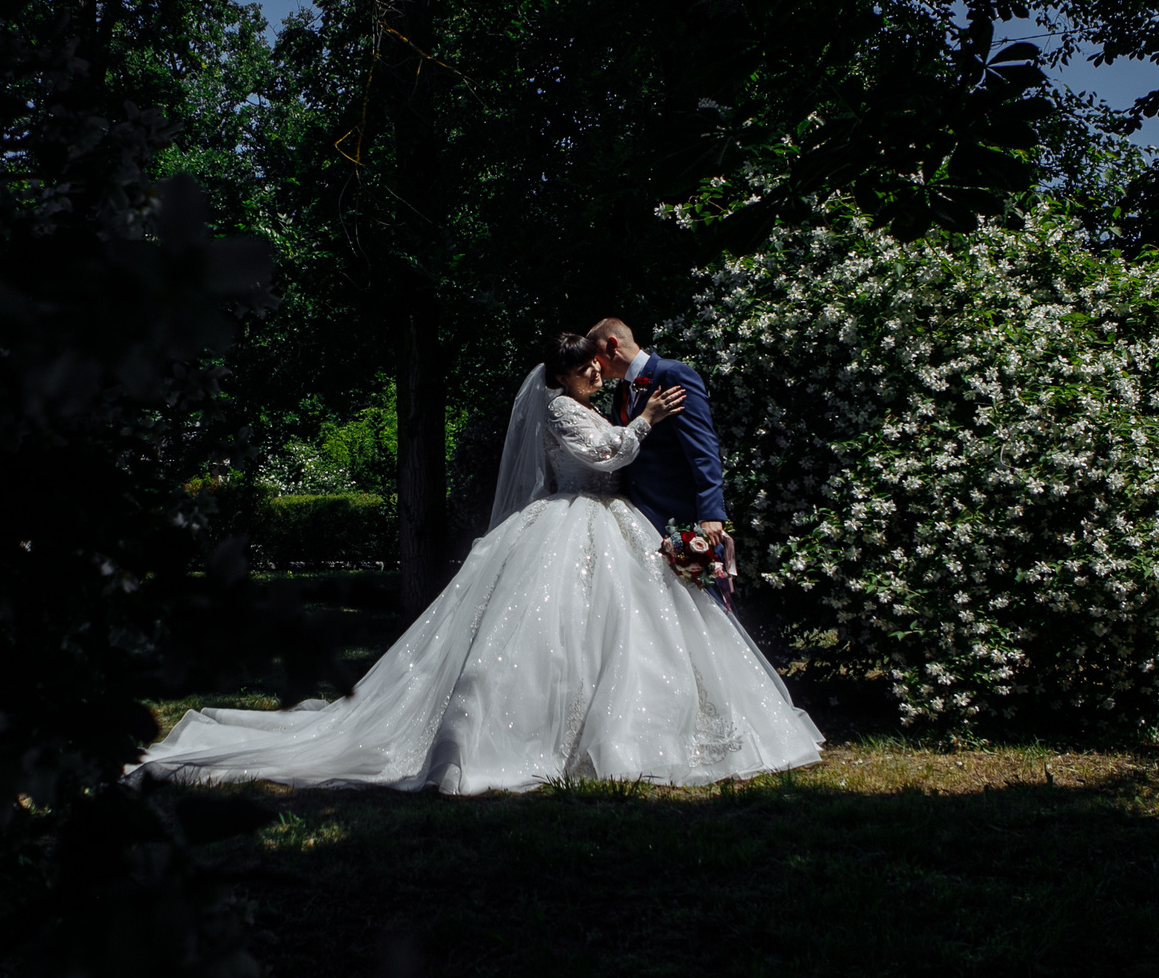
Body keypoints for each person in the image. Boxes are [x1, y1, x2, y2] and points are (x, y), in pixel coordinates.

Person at [128, 331, 824, 795]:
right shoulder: (558, 410)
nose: (595, 373)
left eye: (595, 366)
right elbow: (606, 453)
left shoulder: (582, 400)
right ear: (562, 372)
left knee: (633, 636)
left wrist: (640, 424)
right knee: (552, 638)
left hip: (613, 525)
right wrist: (646, 422)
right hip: (573, 522)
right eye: (586, 367)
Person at [587, 317, 730, 591]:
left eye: (594, 357)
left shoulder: (673, 374)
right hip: (643, 515)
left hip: (683, 511)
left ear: (612, 346)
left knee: (704, 598)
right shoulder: (620, 393)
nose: (594, 366)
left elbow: (703, 446)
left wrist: (712, 512)